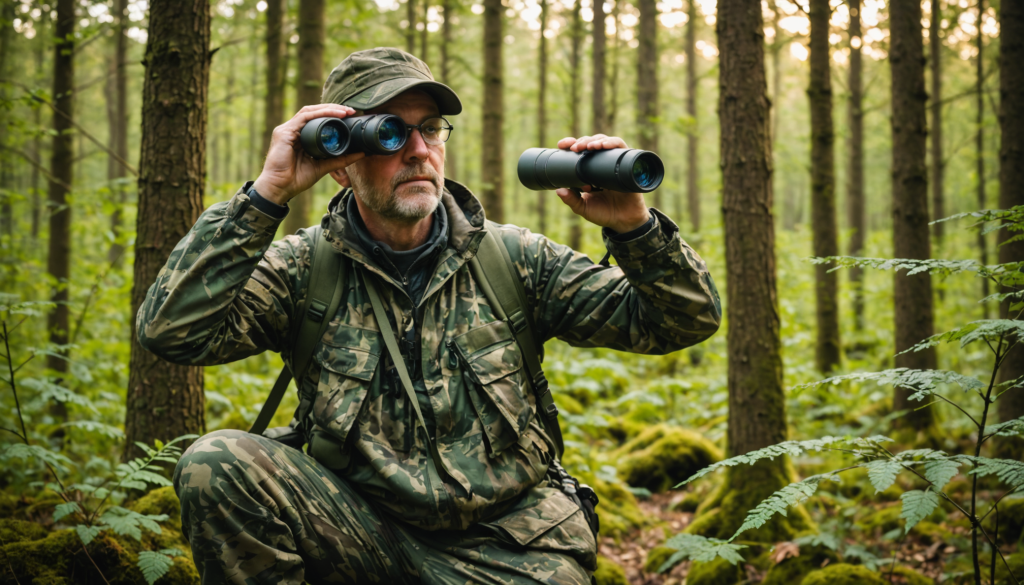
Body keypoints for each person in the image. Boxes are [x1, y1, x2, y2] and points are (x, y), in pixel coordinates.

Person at [137, 47, 722, 585]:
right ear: (340, 161)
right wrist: (265, 196)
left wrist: (634, 229)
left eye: (430, 129)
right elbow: (171, 331)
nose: (418, 150)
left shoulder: (514, 259)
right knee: (216, 464)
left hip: (509, 548)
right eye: (389, 133)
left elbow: (682, 321)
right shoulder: (302, 269)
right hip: (360, 533)